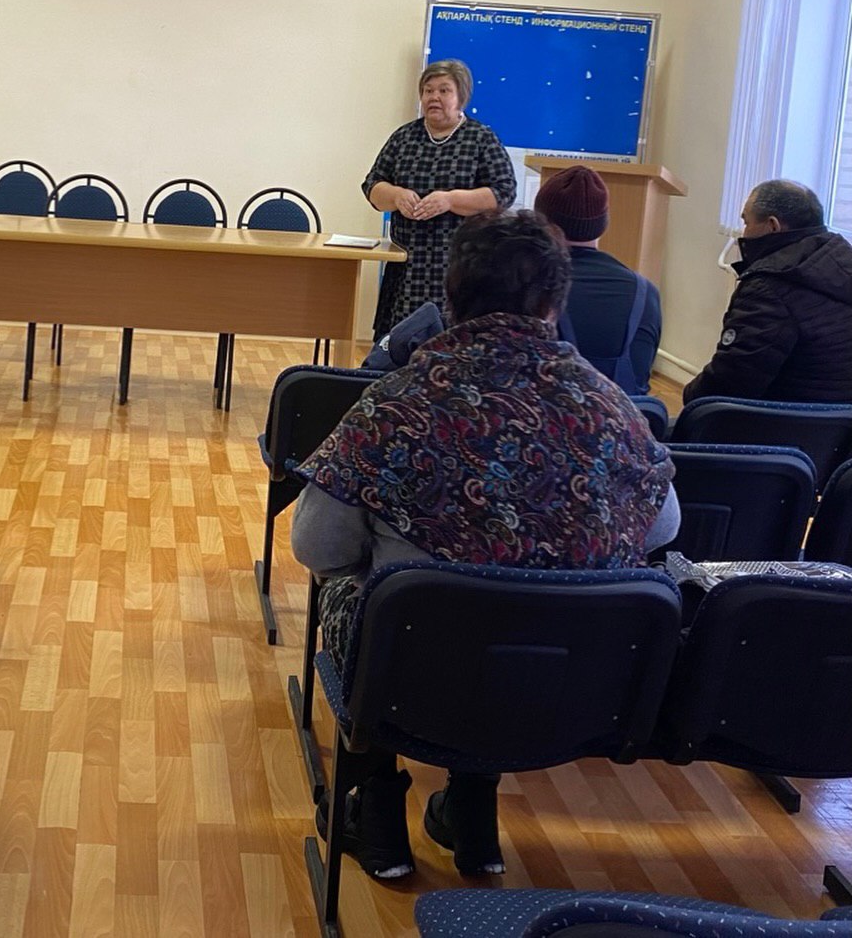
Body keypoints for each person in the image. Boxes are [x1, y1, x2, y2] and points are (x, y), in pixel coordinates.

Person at [291, 210, 679, 881]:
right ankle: (471, 811)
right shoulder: (612, 407)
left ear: (451, 295)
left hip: (416, 679)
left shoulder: (393, 405)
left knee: (370, 598)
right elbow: (662, 527)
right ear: (555, 303)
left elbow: (316, 547)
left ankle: (376, 815)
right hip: (570, 684)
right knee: (513, 604)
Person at [363, 59, 516, 339]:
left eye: (444, 90)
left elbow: (503, 192)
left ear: (461, 97)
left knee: (451, 344)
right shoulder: (404, 137)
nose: (434, 97)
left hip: (458, 267)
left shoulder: (481, 139)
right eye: (428, 90)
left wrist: (451, 200)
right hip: (407, 266)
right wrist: (396, 195)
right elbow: (372, 186)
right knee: (399, 346)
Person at [684, 179, 852, 404]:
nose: (742, 232)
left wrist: (688, 396)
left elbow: (729, 382)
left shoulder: (768, 287)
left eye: (746, 222)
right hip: (837, 422)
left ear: (772, 226)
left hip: (783, 419)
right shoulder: (841, 263)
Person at [534, 165, 661, 395]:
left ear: (541, 221)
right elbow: (641, 374)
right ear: (603, 224)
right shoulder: (645, 291)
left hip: (546, 411)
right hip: (627, 414)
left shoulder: (527, 283)